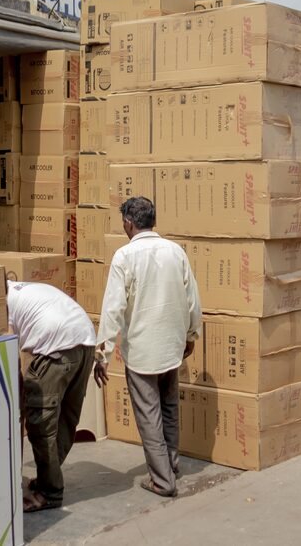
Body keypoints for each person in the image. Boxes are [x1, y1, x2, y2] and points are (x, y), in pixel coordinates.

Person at [93, 197, 201, 498]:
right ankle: (171, 466)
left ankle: (163, 481)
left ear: (129, 222)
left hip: (142, 351)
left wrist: (101, 354)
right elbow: (192, 296)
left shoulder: (125, 256)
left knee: (149, 415)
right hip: (172, 346)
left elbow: (113, 309)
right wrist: (191, 334)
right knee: (169, 409)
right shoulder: (175, 251)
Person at [7, 280, 96, 511]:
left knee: (40, 424)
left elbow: (6, 353)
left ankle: (49, 492)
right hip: (85, 341)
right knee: (66, 417)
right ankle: (49, 478)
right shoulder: (23, 288)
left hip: (57, 348)